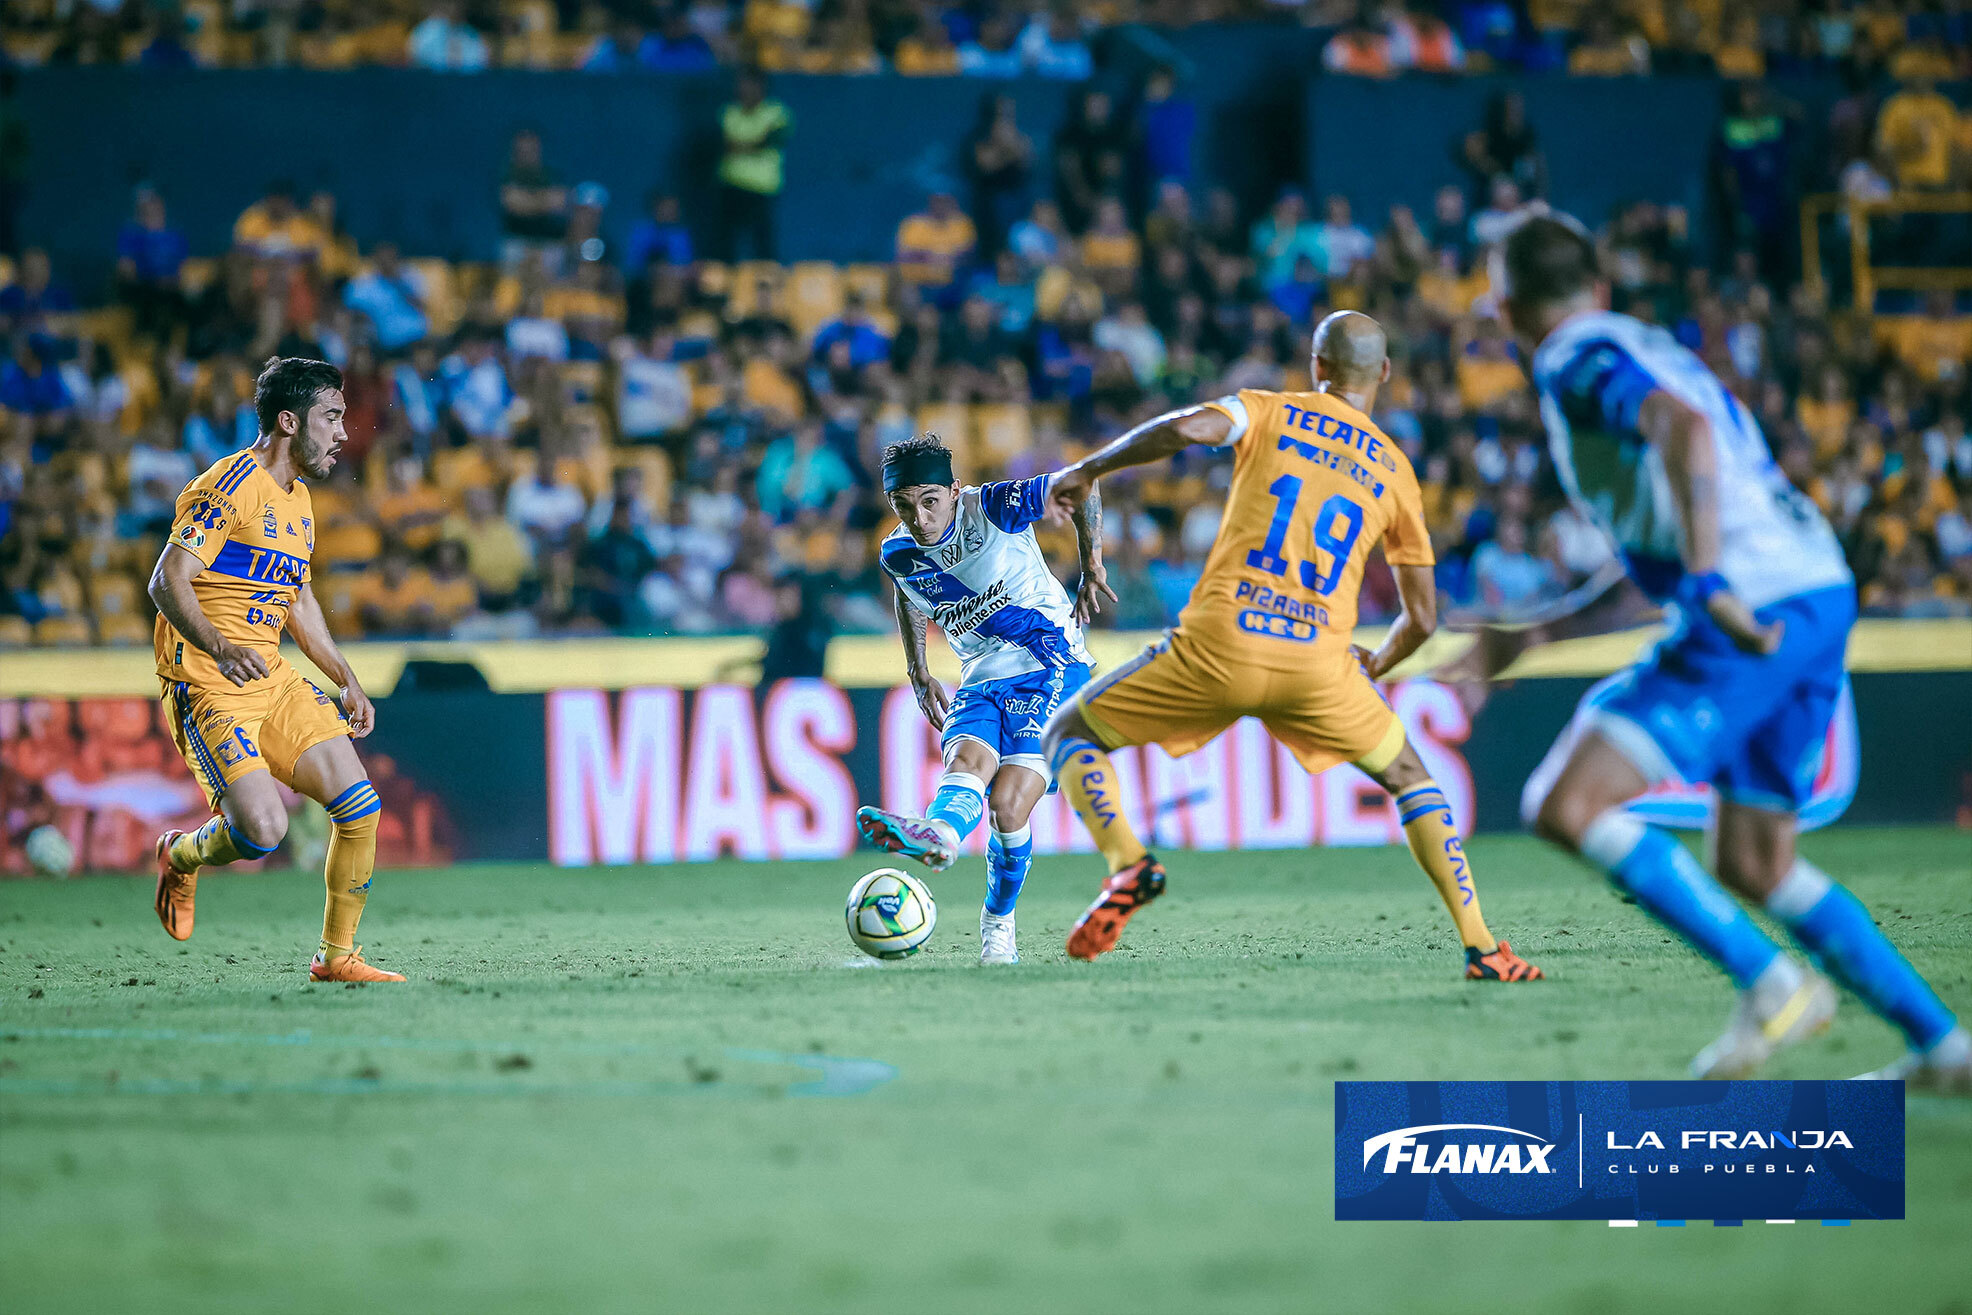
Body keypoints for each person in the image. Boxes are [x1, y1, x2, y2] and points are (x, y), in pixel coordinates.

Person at [1487, 214, 1966, 1087]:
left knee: (1566, 803)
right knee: (1754, 860)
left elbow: (1684, 433)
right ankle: (1944, 1045)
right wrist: (1540, 632)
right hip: (1815, 587)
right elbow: (1663, 541)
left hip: (1752, 602)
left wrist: (1709, 583)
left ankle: (1772, 980)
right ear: (1599, 285)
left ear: (1506, 308)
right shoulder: (1649, 346)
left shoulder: (1571, 357)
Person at [1036, 311, 1542, 980]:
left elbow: (1185, 428)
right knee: (1412, 779)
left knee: (1069, 732)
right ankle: (1483, 947)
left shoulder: (1268, 410)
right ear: (1385, 373)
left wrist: (1090, 468)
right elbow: (1422, 617)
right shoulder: (1395, 471)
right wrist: (1376, 664)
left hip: (1219, 647)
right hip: (1319, 666)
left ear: (1317, 366)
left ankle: (1128, 862)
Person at [147, 357, 404, 983]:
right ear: (289, 422)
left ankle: (336, 957)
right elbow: (167, 579)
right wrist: (218, 646)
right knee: (262, 831)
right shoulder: (230, 484)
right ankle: (180, 856)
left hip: (272, 678)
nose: (343, 432)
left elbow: (298, 601)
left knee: (360, 807)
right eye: (331, 417)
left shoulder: (301, 500)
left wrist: (346, 678)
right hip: (209, 682)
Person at [854, 434, 1111, 965]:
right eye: (904, 506)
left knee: (1007, 807)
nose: (920, 519)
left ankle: (998, 923)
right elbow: (908, 591)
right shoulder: (898, 551)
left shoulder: (994, 506)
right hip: (979, 679)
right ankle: (941, 836)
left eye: (930, 501)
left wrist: (1092, 564)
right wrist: (918, 667)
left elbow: (1084, 483)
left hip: (1051, 665)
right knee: (966, 762)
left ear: (954, 490)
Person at [717, 71, 792, 261]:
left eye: (749, 84)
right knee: (727, 241)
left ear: (761, 87)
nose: (744, 89)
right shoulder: (729, 112)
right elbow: (724, 145)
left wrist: (740, 146)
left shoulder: (777, 113)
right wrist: (752, 144)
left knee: (763, 242)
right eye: (741, 84)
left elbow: (771, 142)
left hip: (763, 188)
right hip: (731, 185)